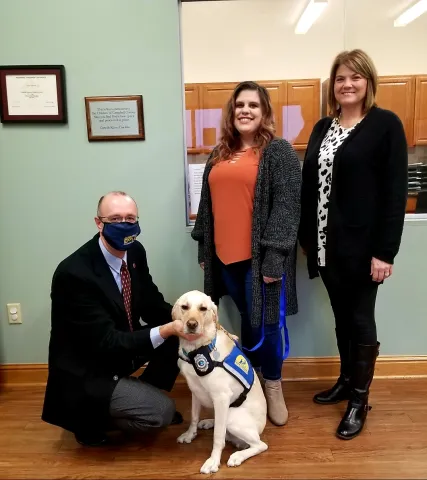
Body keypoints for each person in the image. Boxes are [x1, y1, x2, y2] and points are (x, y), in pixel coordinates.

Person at [299, 49, 408, 440]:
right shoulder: (321, 128)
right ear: (334, 85)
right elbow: (310, 186)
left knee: (361, 321)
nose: (347, 84)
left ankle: (360, 400)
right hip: (327, 249)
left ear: (368, 82)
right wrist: (307, 239)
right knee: (342, 318)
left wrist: (385, 252)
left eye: (355, 77)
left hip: (364, 251)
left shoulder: (385, 125)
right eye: (341, 78)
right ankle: (346, 381)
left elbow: (395, 194)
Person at [42, 191, 196, 446]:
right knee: (161, 414)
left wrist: (189, 319)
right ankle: (90, 419)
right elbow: (107, 341)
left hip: (121, 347)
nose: (125, 225)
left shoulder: (135, 252)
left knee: (177, 337)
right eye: (115, 219)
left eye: (130, 218)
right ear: (98, 222)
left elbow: (150, 302)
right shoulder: (74, 273)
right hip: (90, 369)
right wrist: (168, 329)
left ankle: (139, 394)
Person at [191, 81, 302, 427]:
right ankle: (249, 383)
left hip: (260, 262)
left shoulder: (278, 152)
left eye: (254, 105)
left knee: (265, 325)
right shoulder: (219, 153)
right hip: (224, 259)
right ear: (231, 111)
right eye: (240, 104)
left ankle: (272, 385)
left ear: (265, 112)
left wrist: (274, 259)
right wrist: (204, 249)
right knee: (244, 322)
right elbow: (206, 207)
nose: (246, 110)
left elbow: (287, 208)